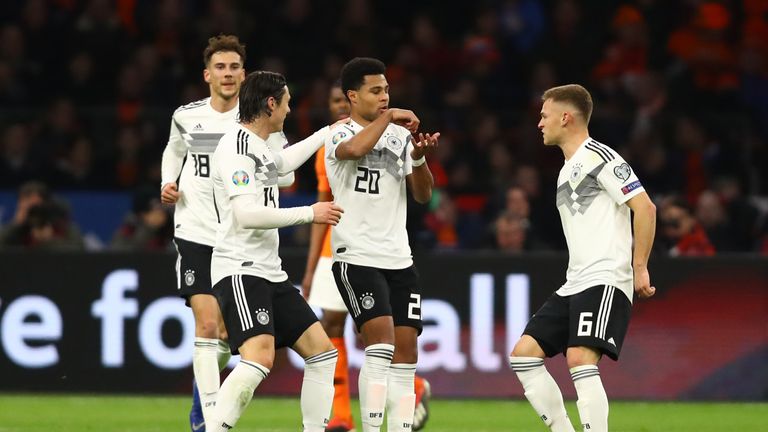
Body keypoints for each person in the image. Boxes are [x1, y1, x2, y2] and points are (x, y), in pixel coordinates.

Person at [159, 34, 294, 431]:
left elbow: (283, 172)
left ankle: (206, 400)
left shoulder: (259, 121)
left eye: (235, 66)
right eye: (220, 66)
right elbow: (173, 150)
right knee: (205, 325)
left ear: (244, 73)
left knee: (220, 334)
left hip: (237, 237)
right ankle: (207, 422)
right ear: (207, 74)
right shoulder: (187, 116)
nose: (228, 73)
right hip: (195, 228)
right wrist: (168, 182)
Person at [508, 84, 657, 432]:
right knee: (524, 355)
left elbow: (645, 207)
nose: (540, 124)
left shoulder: (600, 158)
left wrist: (639, 267)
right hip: (576, 280)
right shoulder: (566, 169)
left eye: (544, 116)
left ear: (565, 117)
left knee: (579, 358)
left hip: (606, 276)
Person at [209, 70, 343, 432]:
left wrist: (325, 133)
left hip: (270, 271)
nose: (289, 110)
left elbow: (283, 171)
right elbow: (247, 214)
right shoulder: (236, 148)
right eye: (286, 104)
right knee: (259, 358)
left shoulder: (259, 144)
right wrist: (310, 214)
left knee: (323, 352)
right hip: (240, 267)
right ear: (271, 103)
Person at [302, 82, 433, 432]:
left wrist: (418, 156)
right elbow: (325, 201)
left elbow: (423, 195)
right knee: (374, 342)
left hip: (398, 258)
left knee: (404, 355)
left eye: (387, 90)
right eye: (376, 91)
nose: (386, 96)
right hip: (351, 254)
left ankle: (403, 413)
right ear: (352, 98)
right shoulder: (333, 136)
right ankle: (343, 415)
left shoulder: (399, 137)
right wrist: (312, 266)